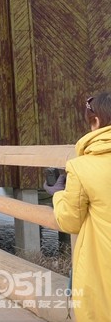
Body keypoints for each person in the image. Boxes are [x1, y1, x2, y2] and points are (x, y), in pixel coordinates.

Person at [53, 92, 111, 321]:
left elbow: (69, 220)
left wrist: (58, 195)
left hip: (103, 265)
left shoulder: (81, 167)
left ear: (96, 122)